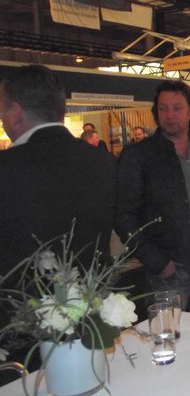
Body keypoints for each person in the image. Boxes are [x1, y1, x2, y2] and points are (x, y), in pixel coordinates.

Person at [116, 80, 190, 316]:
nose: (169, 115)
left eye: (177, 108)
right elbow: (124, 216)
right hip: (169, 274)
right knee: (168, 336)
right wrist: (157, 263)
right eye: (163, 108)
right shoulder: (139, 156)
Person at [0, 65, 117, 274]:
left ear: (16, 113)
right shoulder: (101, 160)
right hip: (94, 288)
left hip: (23, 293)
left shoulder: (7, 167)